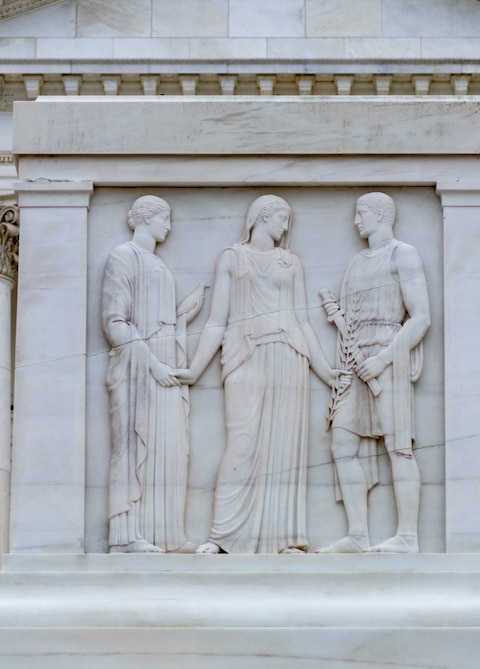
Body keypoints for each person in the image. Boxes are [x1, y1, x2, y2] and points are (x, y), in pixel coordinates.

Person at [181, 195, 340, 554]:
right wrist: (194, 369)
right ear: (262, 217)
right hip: (244, 354)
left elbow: (302, 320)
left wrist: (326, 370)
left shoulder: (292, 262)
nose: (286, 227)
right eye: (281, 218)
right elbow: (216, 320)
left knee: (284, 449)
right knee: (242, 442)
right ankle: (222, 536)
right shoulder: (232, 258)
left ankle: (283, 538)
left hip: (289, 355)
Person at [320, 192, 430, 554]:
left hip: (388, 357)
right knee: (342, 444)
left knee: (398, 448)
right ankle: (358, 534)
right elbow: (352, 320)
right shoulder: (356, 262)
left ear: (382, 214)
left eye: (361, 213)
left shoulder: (403, 254)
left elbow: (420, 319)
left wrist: (383, 360)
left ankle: (408, 537)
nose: (356, 221)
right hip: (355, 359)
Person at [102, 195, 204, 554]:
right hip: (136, 371)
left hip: (162, 369)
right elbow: (115, 323)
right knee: (132, 450)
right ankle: (126, 536)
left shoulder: (158, 264)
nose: (170, 226)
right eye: (165, 218)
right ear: (145, 220)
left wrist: (184, 317)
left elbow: (160, 323)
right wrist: (153, 364)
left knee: (173, 449)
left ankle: (167, 535)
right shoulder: (123, 257)